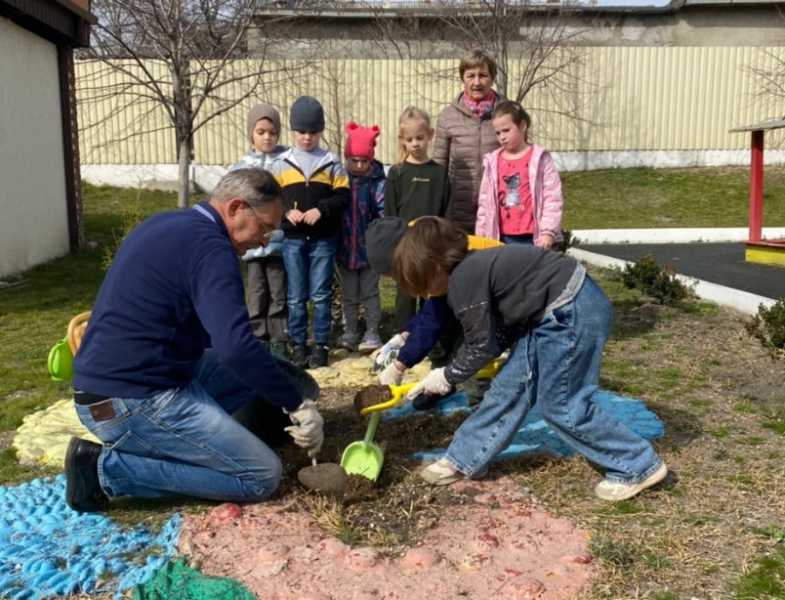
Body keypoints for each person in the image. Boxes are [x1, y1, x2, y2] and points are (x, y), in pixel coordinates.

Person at [67, 169, 325, 513]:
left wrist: (289, 393)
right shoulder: (212, 251)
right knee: (261, 475)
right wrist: (297, 406)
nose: (265, 240)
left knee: (286, 379)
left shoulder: (171, 224)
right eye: (264, 228)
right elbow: (236, 348)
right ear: (236, 208)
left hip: (147, 375)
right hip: (127, 400)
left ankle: (221, 439)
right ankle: (103, 470)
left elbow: (220, 339)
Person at [392, 217, 668, 501]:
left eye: (423, 283)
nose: (425, 294)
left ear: (437, 266)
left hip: (571, 310)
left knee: (562, 405)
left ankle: (637, 465)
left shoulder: (464, 278)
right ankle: (464, 457)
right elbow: (496, 335)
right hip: (551, 313)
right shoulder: (471, 267)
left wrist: (446, 376)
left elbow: (481, 346)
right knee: (508, 390)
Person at [365, 217, 501, 409]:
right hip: (471, 292)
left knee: (470, 349)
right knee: (442, 336)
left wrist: (399, 365)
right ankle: (441, 385)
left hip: (495, 293)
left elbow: (433, 319)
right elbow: (432, 308)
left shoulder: (434, 254)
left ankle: (482, 403)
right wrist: (404, 335)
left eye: (395, 273)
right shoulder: (420, 246)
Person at [269, 96, 350, 368]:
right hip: (292, 240)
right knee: (295, 296)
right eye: (301, 132)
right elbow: (270, 199)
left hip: (322, 240)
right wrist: (284, 213)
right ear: (293, 131)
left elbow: (343, 196)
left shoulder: (330, 162)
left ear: (321, 131)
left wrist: (322, 210)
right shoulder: (281, 163)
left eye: (313, 132)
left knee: (320, 295)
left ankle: (321, 346)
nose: (307, 138)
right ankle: (298, 346)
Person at [383, 106, 450, 331]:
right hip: (406, 247)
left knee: (433, 296)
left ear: (430, 135)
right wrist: (395, 247)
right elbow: (390, 215)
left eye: (420, 138)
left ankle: (432, 341)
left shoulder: (439, 173)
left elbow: (446, 212)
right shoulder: (397, 173)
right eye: (410, 139)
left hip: (432, 247)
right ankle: (402, 339)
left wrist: (443, 244)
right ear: (402, 140)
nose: (415, 144)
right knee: (406, 296)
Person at [231, 103, 288, 356]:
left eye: (272, 132)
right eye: (261, 132)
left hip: (277, 242)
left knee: (278, 293)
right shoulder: (241, 166)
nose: (267, 137)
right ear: (251, 134)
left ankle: (278, 340)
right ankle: (258, 338)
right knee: (256, 292)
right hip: (252, 246)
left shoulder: (286, 161)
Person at [432, 49, 502, 235]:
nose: (477, 82)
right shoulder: (447, 117)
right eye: (470, 76)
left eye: (483, 75)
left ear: (493, 78)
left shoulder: (507, 114)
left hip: (499, 211)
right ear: (462, 78)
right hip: (458, 212)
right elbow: (439, 167)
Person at [475, 101, 563, 248]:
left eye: (506, 130)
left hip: (532, 238)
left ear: (522, 126)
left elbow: (552, 198)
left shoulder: (540, 159)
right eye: (498, 133)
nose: (502, 137)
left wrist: (548, 232)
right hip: (500, 237)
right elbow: (484, 203)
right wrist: (481, 236)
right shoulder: (492, 162)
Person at [336, 121, 386, 353]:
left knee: (370, 292)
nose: (358, 165)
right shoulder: (340, 180)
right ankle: (350, 330)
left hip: (369, 251)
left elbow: (383, 212)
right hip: (346, 248)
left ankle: (372, 331)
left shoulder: (377, 183)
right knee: (348, 294)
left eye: (363, 161)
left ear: (371, 159)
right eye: (353, 160)